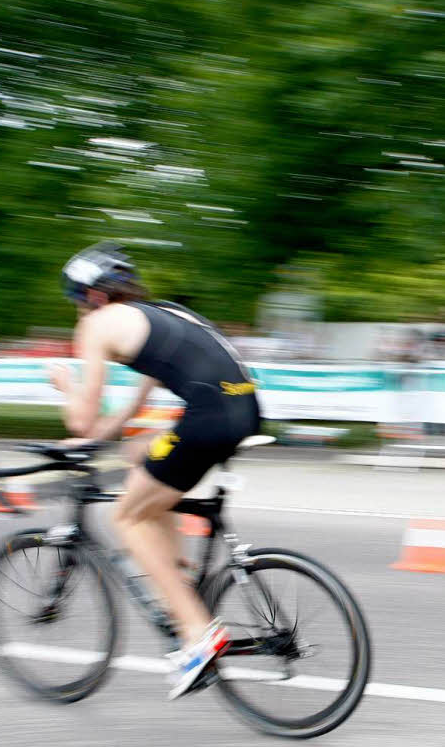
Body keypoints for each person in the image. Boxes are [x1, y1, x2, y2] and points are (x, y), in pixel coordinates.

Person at [50, 242, 261, 699]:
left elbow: (81, 421)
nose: (78, 311)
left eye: (77, 301)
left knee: (126, 516)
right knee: (137, 455)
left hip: (207, 418)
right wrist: (94, 443)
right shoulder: (161, 315)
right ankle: (178, 571)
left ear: (93, 296)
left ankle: (198, 635)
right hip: (244, 409)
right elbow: (132, 412)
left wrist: (67, 388)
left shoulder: (97, 324)